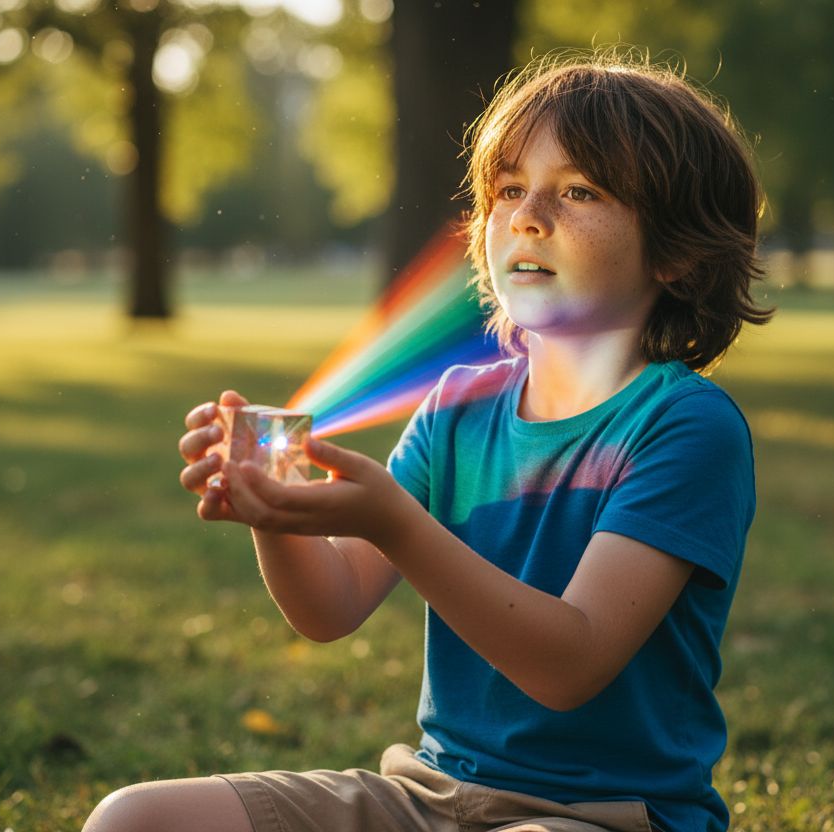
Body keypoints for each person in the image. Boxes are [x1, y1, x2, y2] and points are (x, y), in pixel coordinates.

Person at [84, 47, 773, 832]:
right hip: (428, 799)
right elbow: (331, 605)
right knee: (131, 819)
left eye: (578, 190)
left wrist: (396, 523)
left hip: (603, 816)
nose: (528, 215)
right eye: (510, 189)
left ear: (680, 253)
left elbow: (570, 663)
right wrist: (275, 514)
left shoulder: (685, 426)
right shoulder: (456, 409)